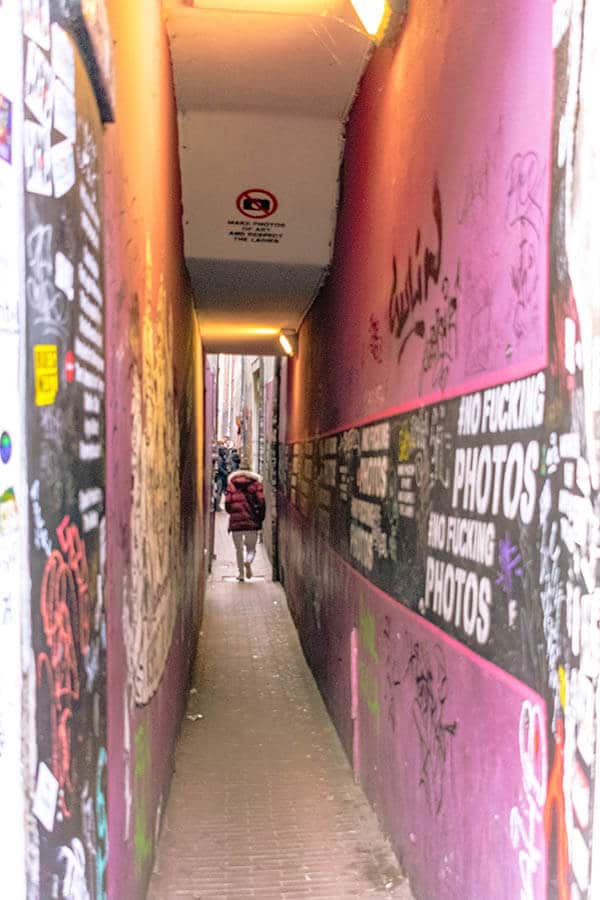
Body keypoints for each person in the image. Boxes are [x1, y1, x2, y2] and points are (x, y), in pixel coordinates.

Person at [225, 461, 265, 581]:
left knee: (238, 549)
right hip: (251, 522)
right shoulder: (256, 484)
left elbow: (227, 502)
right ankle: (248, 561)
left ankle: (241, 574)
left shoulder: (232, 484)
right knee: (251, 548)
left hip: (235, 523)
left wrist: (231, 513)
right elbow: (261, 502)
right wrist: (260, 518)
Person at [214, 445, 230, 511]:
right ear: (220, 451)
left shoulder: (222, 458)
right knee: (219, 491)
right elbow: (220, 468)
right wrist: (226, 472)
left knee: (221, 491)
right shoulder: (220, 459)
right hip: (220, 477)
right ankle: (217, 506)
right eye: (223, 450)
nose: (225, 451)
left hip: (222, 477)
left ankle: (218, 506)